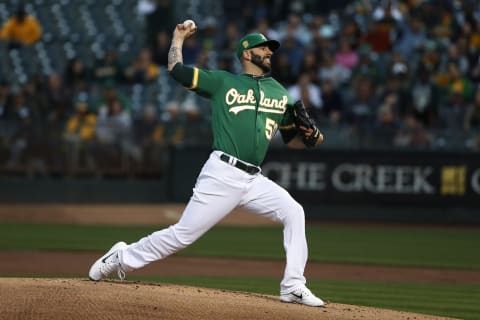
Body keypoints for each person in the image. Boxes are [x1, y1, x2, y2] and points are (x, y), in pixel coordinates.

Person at [88, 21, 325, 307]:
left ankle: (293, 286)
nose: (269, 52)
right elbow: (177, 70)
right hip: (223, 173)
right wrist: (177, 39)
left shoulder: (281, 94)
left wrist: (313, 137)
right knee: (182, 235)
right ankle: (121, 257)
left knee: (294, 212)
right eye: (263, 48)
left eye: (270, 49)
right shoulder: (223, 81)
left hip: (254, 180)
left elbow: (294, 141)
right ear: (247, 54)